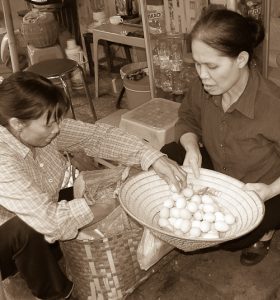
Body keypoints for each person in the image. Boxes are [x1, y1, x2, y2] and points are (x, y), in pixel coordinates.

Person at [0, 71, 187, 300]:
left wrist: (153, 157)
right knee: (28, 229)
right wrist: (107, 206)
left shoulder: (40, 125)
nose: (57, 129)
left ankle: (54, 251)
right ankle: (57, 294)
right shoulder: (3, 159)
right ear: (17, 124)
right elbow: (50, 220)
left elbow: (97, 137)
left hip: (40, 210)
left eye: (58, 120)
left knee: (87, 194)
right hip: (8, 237)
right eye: (49, 124)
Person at [161, 8, 280, 266]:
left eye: (212, 66)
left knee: (232, 238)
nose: (202, 75)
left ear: (241, 59)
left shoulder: (278, 108)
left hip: (265, 186)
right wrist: (192, 148)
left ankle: (266, 229)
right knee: (168, 156)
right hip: (224, 167)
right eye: (198, 64)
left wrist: (270, 190)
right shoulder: (204, 87)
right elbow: (188, 118)